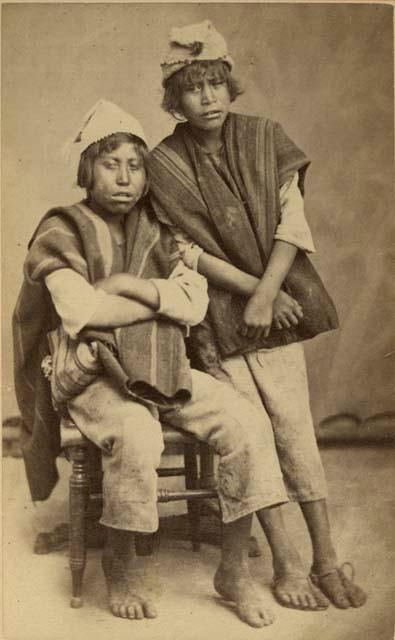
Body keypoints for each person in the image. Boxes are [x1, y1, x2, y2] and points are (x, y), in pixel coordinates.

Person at [12, 99, 309, 627]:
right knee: (136, 433)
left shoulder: (159, 225)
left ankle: (233, 571)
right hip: (93, 372)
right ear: (87, 170)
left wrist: (127, 287)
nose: (125, 178)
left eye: (135, 165)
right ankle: (122, 566)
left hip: (165, 363)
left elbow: (193, 303)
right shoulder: (62, 228)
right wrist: (158, 298)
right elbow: (79, 311)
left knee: (246, 423)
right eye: (110, 164)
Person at [148, 20, 367, 611]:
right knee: (258, 434)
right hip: (218, 317)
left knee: (295, 430)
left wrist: (271, 293)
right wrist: (256, 293)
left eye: (216, 83)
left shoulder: (266, 137)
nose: (208, 97)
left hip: (276, 300)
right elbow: (184, 250)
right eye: (193, 87)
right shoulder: (163, 164)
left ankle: (324, 558)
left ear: (230, 85)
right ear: (174, 99)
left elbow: (291, 223)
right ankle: (288, 563)